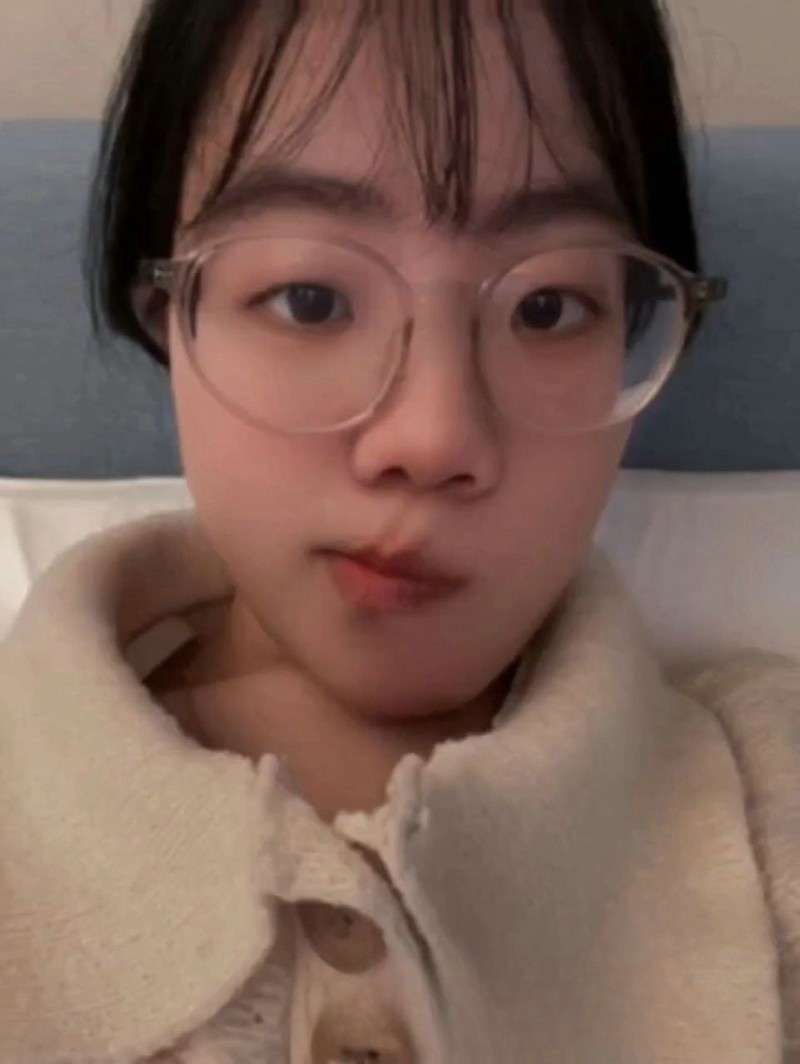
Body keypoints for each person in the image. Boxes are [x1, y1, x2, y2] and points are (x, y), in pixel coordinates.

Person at [1, 1, 798, 1061]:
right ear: (168, 317)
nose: (434, 437)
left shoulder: (767, 798)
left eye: (547, 308)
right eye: (310, 298)